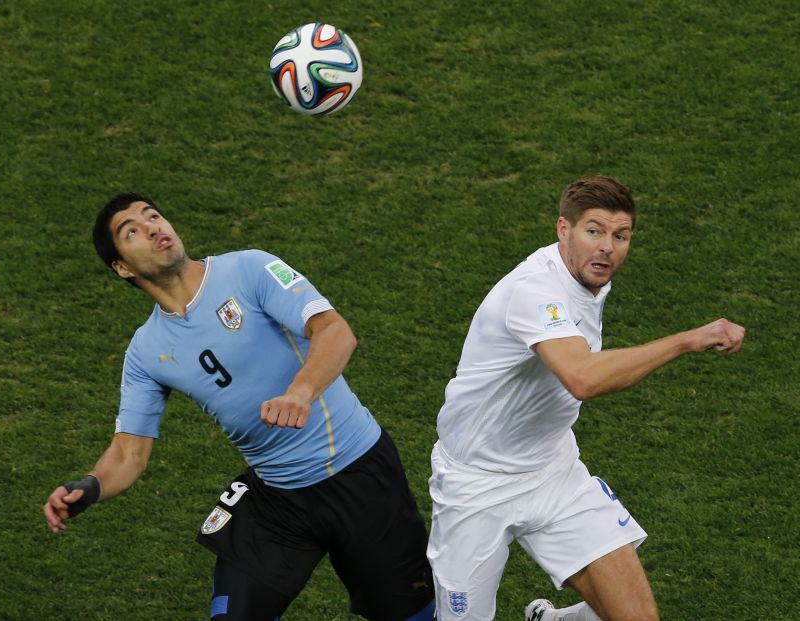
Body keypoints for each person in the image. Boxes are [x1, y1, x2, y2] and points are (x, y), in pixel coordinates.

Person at [43, 193, 435, 621]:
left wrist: (299, 392)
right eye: (132, 230)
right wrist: (91, 487)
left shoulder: (248, 268)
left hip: (360, 475)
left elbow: (335, 331)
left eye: (154, 215)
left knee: (412, 615)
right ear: (122, 267)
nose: (154, 227)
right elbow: (128, 453)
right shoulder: (146, 351)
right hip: (276, 500)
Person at [426, 175, 745, 621]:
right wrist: (688, 340)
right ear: (563, 229)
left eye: (621, 236)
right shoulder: (534, 291)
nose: (607, 248)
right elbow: (582, 378)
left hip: (554, 472)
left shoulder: (590, 280)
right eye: (593, 231)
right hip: (476, 485)